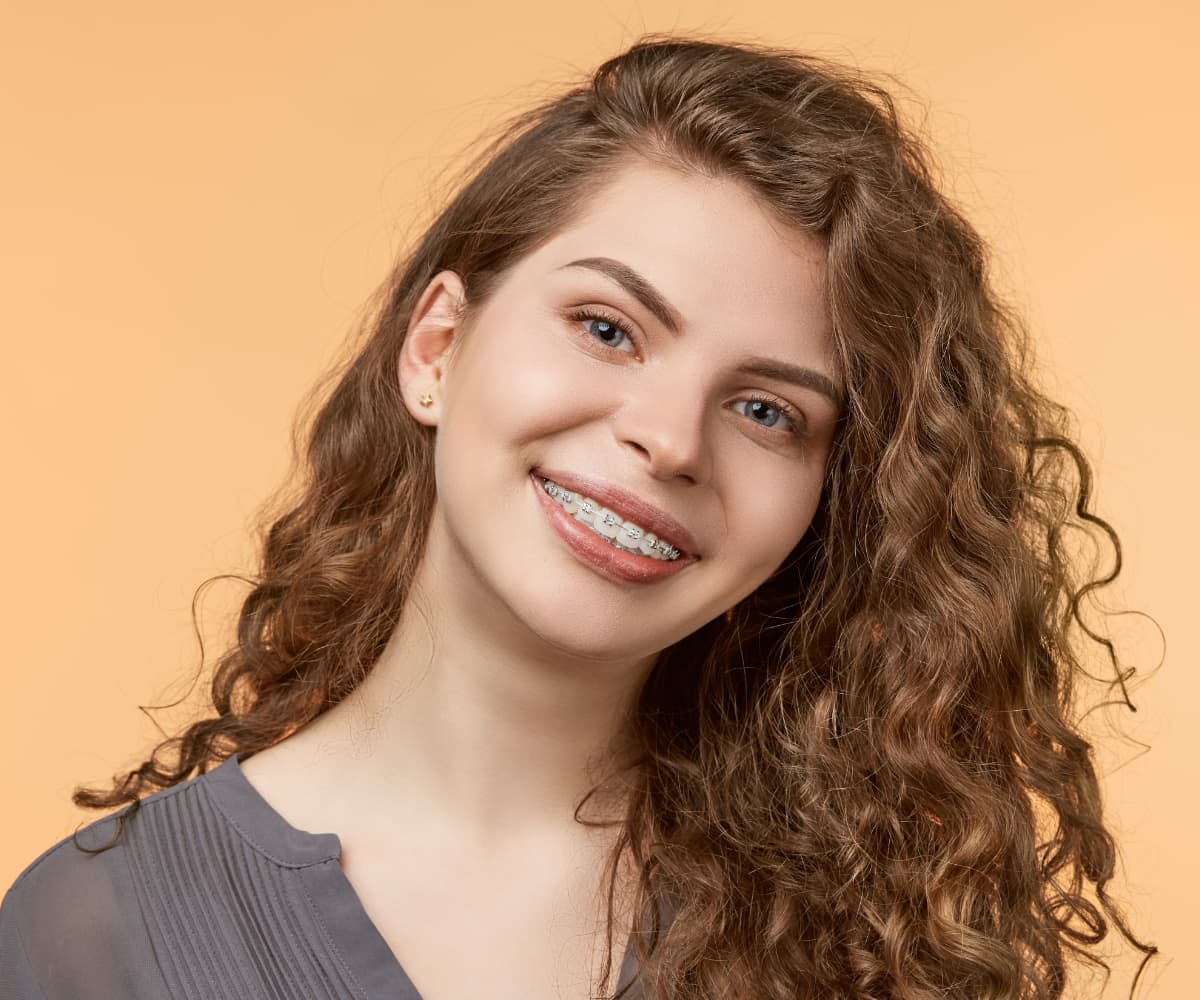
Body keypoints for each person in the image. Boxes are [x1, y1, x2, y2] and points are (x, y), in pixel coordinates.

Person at [0, 33, 1155, 1000]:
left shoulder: (871, 940)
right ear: (436, 349)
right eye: (608, 328)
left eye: (766, 410)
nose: (672, 438)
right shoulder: (101, 933)